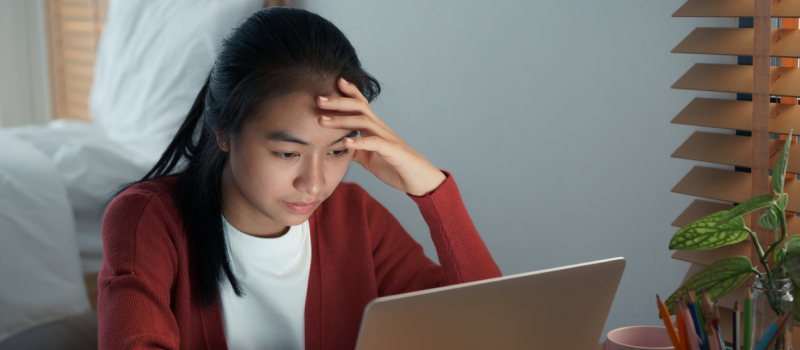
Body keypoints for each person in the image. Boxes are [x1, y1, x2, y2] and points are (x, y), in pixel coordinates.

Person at [97, 6, 501, 350]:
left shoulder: (356, 218)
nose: (315, 184)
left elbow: (490, 331)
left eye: (338, 151)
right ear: (223, 131)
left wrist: (432, 190)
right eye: (288, 153)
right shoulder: (147, 221)